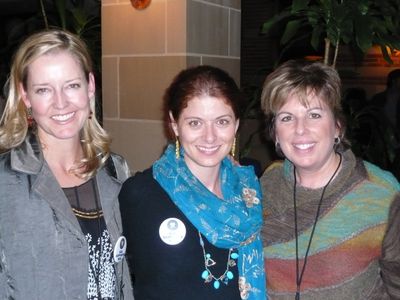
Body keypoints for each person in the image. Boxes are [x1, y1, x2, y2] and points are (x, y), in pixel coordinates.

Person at [0, 29, 134, 299]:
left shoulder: (115, 170)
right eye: (43, 90)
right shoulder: (6, 181)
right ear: (26, 97)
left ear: (90, 86)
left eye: (71, 85)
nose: (60, 103)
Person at [119, 65, 266, 300]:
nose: (209, 137)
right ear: (175, 124)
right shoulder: (140, 195)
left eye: (221, 122)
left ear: (236, 125)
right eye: (195, 123)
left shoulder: (250, 191)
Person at [260, 60, 400, 299]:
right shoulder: (265, 186)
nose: (300, 129)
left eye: (314, 114)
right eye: (286, 118)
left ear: (337, 126)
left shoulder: (381, 192)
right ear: (275, 133)